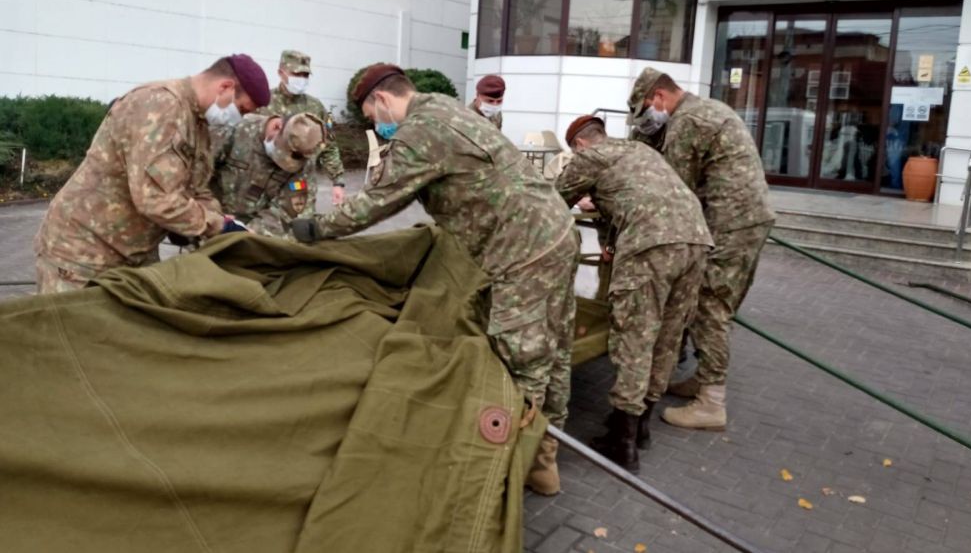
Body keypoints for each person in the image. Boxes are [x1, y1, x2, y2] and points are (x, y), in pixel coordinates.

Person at [291, 64, 577, 496]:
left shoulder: (420, 131)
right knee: (554, 347)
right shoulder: (445, 108)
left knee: (520, 359)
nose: (376, 124)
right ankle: (544, 461)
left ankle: (507, 473)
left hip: (524, 248)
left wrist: (314, 228)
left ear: (383, 100)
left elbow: (377, 202)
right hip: (555, 231)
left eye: (371, 115)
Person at [34, 54, 270, 294]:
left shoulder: (197, 123)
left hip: (131, 253)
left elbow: (196, 188)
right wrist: (217, 226)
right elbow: (156, 200)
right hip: (82, 252)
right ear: (226, 87)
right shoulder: (160, 105)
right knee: (72, 329)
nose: (237, 119)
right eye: (241, 109)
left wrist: (227, 224)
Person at [555, 116, 713, 472]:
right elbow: (637, 196)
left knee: (635, 337)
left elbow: (551, 200)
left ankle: (622, 443)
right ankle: (641, 425)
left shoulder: (589, 158)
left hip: (649, 245)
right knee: (667, 336)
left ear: (580, 144)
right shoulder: (639, 150)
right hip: (697, 241)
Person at [627, 67, 775, 431]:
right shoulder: (707, 109)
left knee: (710, 303)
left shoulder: (687, 122)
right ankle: (702, 377)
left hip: (730, 223)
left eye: (645, 111)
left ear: (659, 97)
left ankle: (712, 401)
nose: (648, 121)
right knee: (709, 302)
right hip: (744, 219)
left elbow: (673, 189)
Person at [211, 113, 324, 238]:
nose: (282, 163)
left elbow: (288, 210)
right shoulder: (236, 130)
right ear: (277, 126)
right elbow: (195, 176)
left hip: (256, 232)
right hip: (210, 219)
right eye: (280, 151)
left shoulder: (304, 161)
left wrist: (249, 232)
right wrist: (213, 217)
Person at [259, 50, 346, 205]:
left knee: (302, 228)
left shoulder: (314, 107)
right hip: (266, 188)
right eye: (296, 74)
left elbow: (328, 145)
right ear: (281, 72)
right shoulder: (263, 103)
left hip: (301, 190)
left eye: (305, 76)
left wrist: (338, 182)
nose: (301, 79)